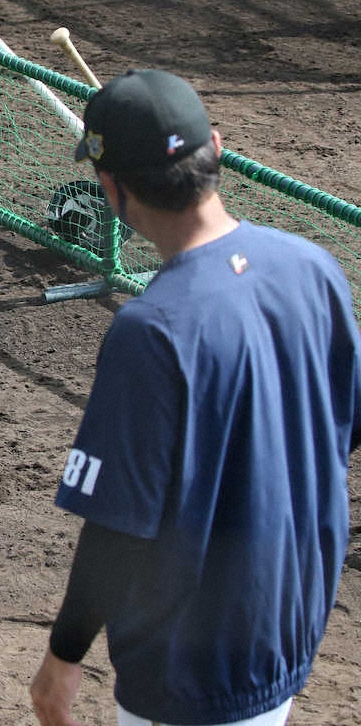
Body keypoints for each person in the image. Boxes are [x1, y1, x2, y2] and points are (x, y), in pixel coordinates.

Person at [30, 69, 361, 726]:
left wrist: (63, 656)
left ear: (111, 187)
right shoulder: (311, 266)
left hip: (190, 667)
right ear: (216, 147)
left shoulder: (152, 329)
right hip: (286, 627)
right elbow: (339, 426)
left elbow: (117, 528)